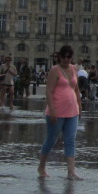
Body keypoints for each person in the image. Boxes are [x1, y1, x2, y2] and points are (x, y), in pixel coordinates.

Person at [38, 45, 84, 180]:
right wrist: (51, 109)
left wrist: (80, 106)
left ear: (71, 57)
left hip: (72, 111)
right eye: (63, 56)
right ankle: (41, 166)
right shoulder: (55, 70)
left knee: (70, 141)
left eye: (68, 57)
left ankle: (71, 172)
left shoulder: (74, 69)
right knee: (51, 140)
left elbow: (76, 89)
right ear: (59, 57)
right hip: (57, 111)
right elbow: (49, 90)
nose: (66, 59)